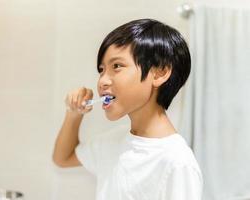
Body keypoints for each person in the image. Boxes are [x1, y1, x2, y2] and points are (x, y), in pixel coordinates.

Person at [52, 18, 203, 200]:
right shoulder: (113, 140)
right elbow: (63, 158)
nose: (102, 81)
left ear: (160, 73)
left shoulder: (177, 163)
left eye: (117, 66)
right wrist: (74, 113)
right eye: (101, 70)